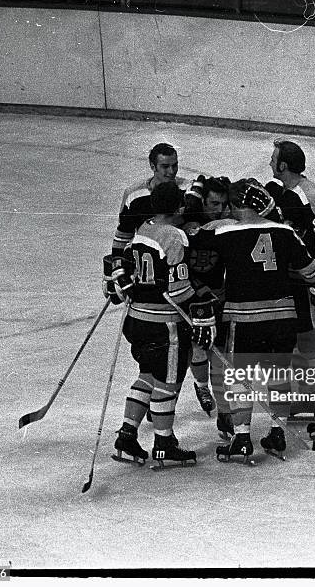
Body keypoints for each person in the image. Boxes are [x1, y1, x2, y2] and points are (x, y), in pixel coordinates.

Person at [189, 179, 315, 462]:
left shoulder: (223, 231)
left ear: (236, 205)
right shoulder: (285, 232)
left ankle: (241, 437)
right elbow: (312, 273)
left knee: (240, 376)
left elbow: (190, 240)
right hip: (283, 317)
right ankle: (277, 432)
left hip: (243, 317)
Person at [106, 182, 217, 468]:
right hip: (163, 324)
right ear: (178, 207)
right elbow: (179, 290)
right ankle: (164, 444)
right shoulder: (173, 236)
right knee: (168, 383)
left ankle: (127, 436)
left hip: (136, 321)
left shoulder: (143, 229)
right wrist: (202, 306)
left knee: (147, 377)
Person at [265, 139, 315, 439]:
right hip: (295, 280)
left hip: (307, 282)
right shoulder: (289, 192)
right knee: (299, 341)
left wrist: (292, 242)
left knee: (313, 344)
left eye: (273, 159)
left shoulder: (305, 196)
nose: (270, 163)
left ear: (284, 165)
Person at [182, 176, 231, 421]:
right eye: (213, 204)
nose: (218, 209)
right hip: (192, 295)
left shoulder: (227, 222)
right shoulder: (186, 223)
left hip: (218, 294)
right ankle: (201, 387)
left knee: (220, 349)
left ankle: (222, 405)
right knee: (197, 347)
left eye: (222, 204)